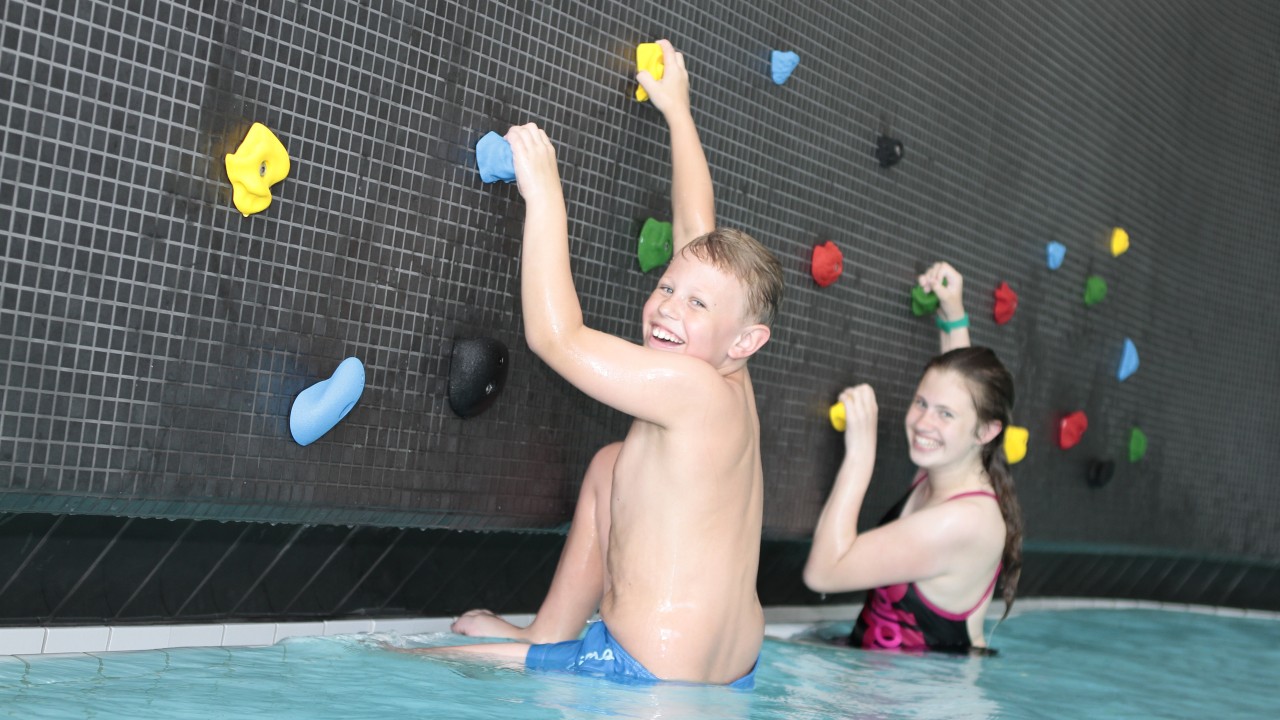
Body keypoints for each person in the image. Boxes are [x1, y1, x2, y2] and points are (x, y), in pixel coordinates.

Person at [414, 40, 784, 688]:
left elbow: (557, 339)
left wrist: (546, 194)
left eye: (695, 303)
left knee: (405, 660)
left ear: (744, 341)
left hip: (644, 674)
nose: (668, 308)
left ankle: (548, 648)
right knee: (612, 465)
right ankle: (548, 631)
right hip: (732, 674)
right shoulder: (728, 367)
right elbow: (698, 226)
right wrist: (678, 111)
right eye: (668, 287)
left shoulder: (693, 388)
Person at [803, 262, 1023, 653]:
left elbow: (822, 574)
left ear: (985, 432)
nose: (923, 421)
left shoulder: (963, 521)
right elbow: (961, 390)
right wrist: (954, 314)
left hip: (927, 698)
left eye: (944, 414)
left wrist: (860, 455)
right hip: (887, 684)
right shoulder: (957, 460)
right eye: (921, 402)